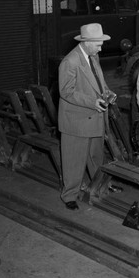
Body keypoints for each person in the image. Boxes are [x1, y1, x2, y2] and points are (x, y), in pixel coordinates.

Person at [58, 23, 116, 210]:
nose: (101, 48)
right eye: (98, 44)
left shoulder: (93, 56)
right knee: (74, 160)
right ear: (87, 42)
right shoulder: (70, 62)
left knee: (95, 157)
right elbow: (66, 92)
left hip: (94, 117)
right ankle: (69, 196)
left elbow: (99, 82)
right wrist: (92, 102)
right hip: (77, 120)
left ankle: (99, 186)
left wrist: (108, 93)